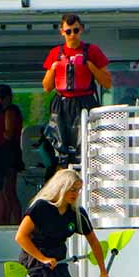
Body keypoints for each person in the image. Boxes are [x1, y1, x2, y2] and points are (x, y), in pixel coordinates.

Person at [41, 13, 111, 168]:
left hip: (85, 101)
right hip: (62, 103)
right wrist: (54, 68)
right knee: (60, 148)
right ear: (62, 32)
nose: (72, 35)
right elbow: (46, 87)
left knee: (87, 146)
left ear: (82, 30)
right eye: (68, 31)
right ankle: (63, 177)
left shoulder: (92, 51)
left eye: (76, 30)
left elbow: (107, 83)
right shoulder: (55, 53)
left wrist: (89, 65)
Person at [0, 83, 23, 225]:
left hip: (7, 155)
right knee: (6, 191)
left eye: (3, 97)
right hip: (4, 155)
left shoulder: (10, 110)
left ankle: (15, 223)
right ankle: (8, 222)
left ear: (9, 97)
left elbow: (8, 134)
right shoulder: (0, 109)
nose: (1, 100)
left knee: (8, 191)